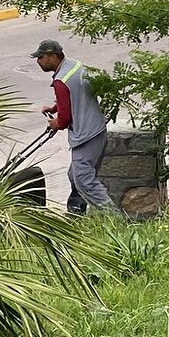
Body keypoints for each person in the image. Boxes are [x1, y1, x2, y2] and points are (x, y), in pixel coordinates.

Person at [33, 39, 117, 215]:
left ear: (53, 56)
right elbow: (75, 95)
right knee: (75, 175)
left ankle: (114, 217)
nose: (38, 61)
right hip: (97, 129)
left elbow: (64, 120)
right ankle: (76, 211)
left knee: (84, 180)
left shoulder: (61, 80)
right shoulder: (74, 66)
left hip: (85, 136)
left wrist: (55, 122)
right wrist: (55, 107)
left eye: (41, 57)